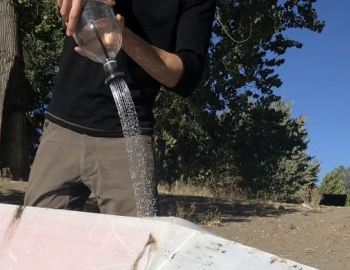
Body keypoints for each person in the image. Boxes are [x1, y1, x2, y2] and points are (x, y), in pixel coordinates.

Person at [24, 0, 217, 217]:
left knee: (134, 246)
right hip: (62, 128)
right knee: (34, 242)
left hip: (128, 138)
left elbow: (185, 75)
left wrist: (120, 34)